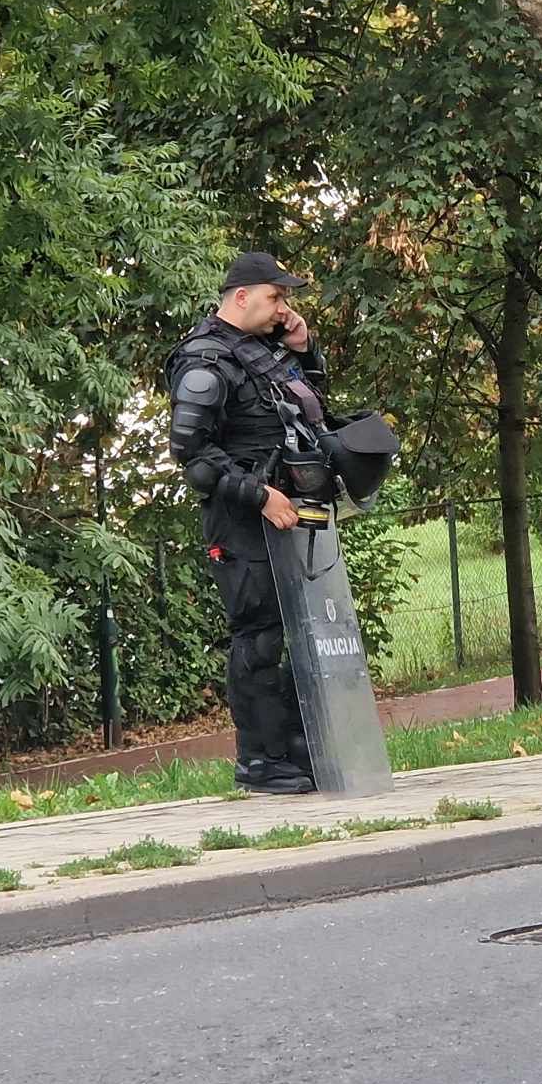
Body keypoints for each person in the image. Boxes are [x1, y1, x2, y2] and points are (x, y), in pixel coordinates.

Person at [164, 252, 328, 794]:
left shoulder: (261, 353)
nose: (284, 306)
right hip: (243, 522)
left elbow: (309, 412)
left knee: (296, 632)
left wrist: (304, 350)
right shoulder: (204, 360)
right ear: (241, 297)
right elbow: (192, 455)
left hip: (291, 515)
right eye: (276, 297)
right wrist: (258, 495)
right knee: (258, 636)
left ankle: (300, 751)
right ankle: (259, 762)